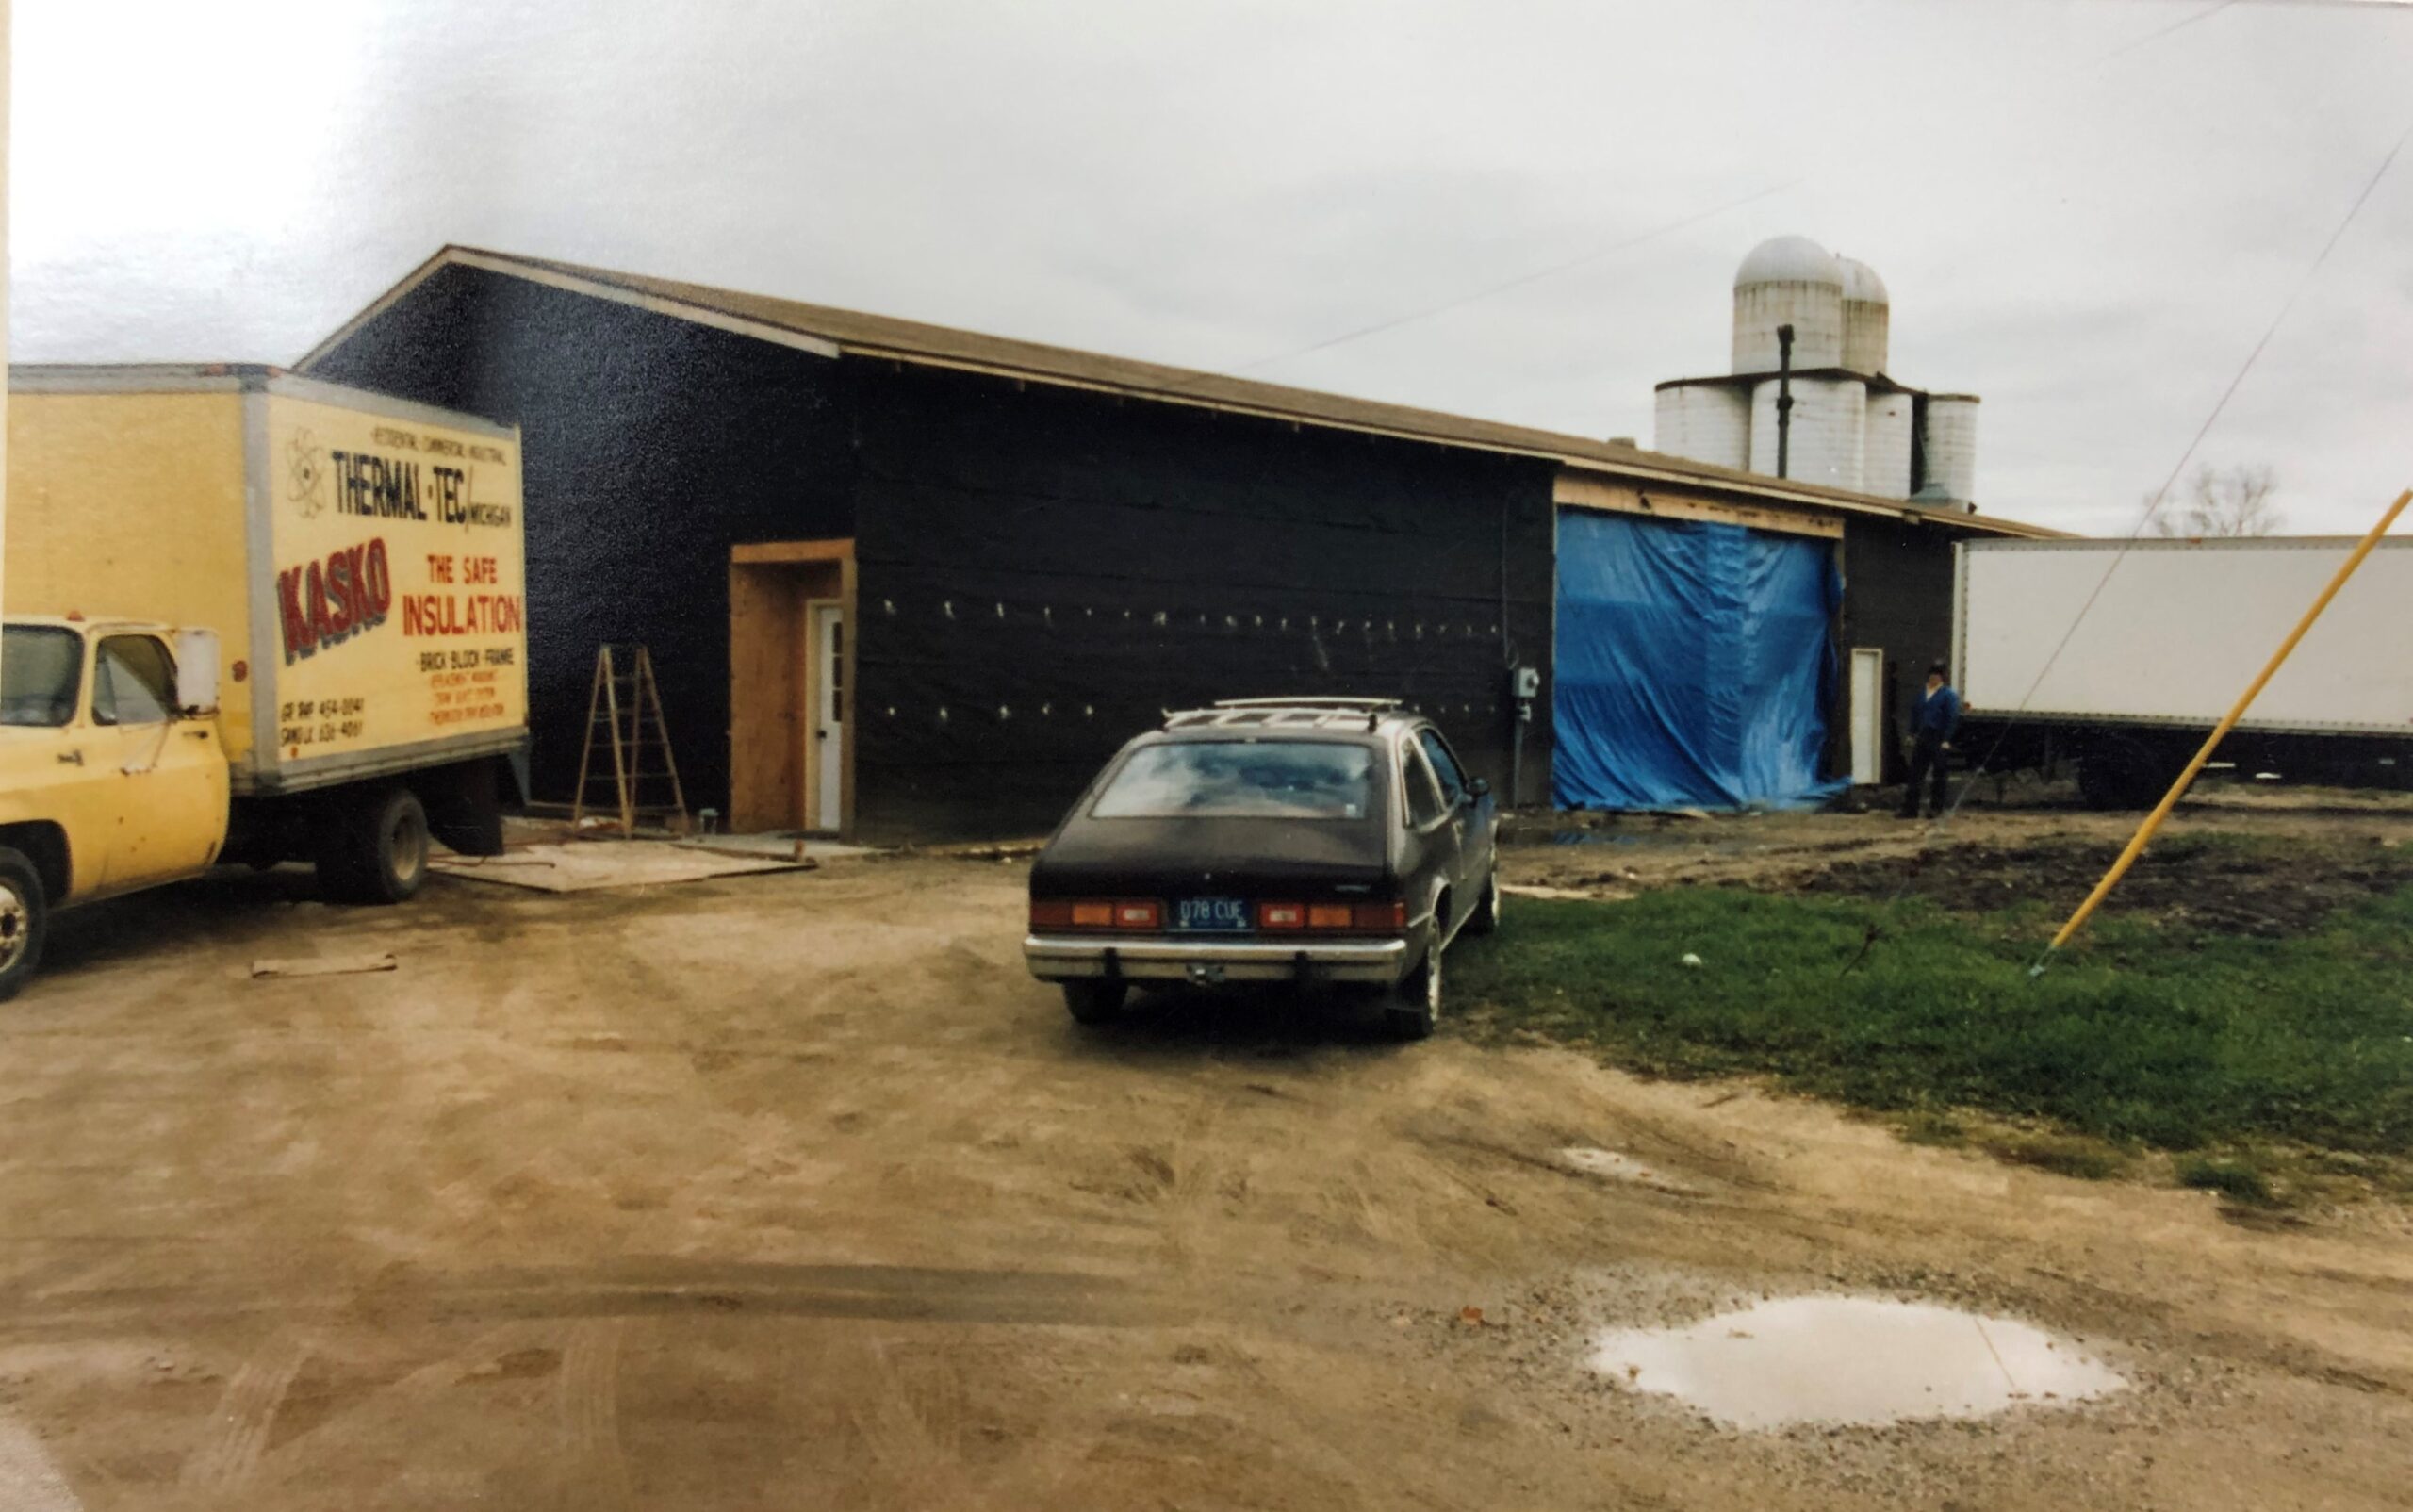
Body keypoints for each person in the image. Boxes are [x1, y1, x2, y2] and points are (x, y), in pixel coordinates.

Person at [1898, 661, 1961, 819]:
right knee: (1915, 773)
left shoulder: (1948, 695)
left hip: (1938, 736)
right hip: (1922, 736)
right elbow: (1915, 714)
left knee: (1939, 773)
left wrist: (1947, 738)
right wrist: (1911, 734)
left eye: (1937, 676)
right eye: (1932, 675)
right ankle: (1910, 809)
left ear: (1942, 678)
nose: (1934, 678)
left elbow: (1951, 718)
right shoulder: (1922, 694)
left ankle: (1936, 808)